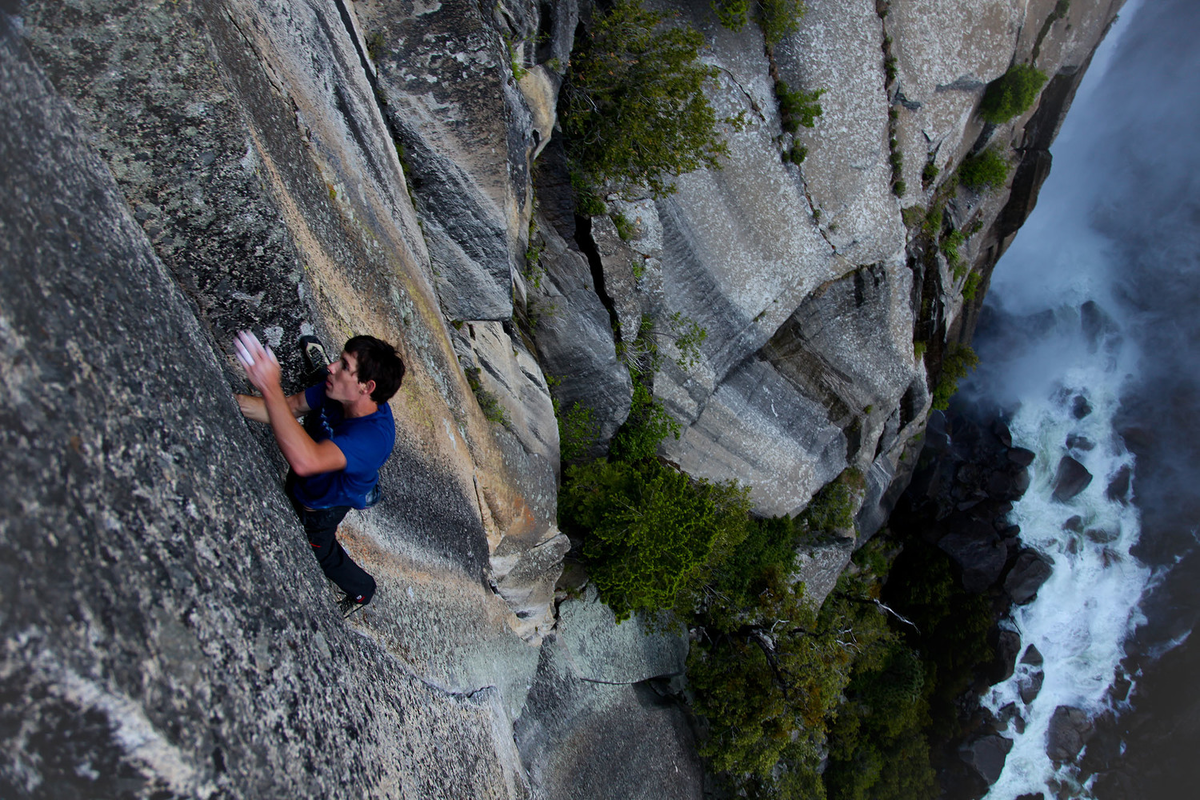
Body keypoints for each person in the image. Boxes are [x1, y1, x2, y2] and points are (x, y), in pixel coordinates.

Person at [233, 330, 404, 617]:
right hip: (312, 472)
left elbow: (305, 461)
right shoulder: (333, 388)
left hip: (324, 505)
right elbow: (286, 409)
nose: (331, 368)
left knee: (319, 549)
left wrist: (270, 386)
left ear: (366, 387)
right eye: (339, 360)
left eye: (344, 366)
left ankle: (362, 591)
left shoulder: (373, 438)